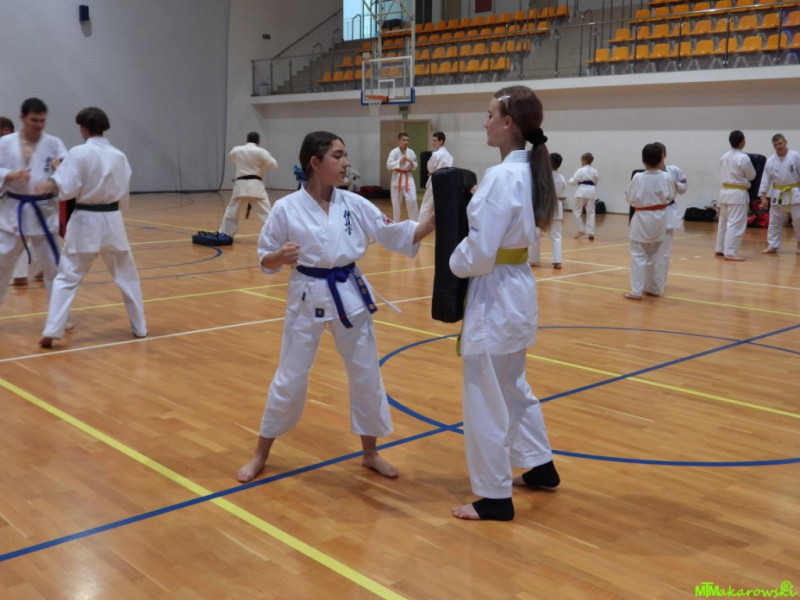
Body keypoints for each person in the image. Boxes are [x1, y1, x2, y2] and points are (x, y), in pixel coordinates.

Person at [236, 131, 435, 484]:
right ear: (315, 163)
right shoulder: (286, 208)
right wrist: (279, 257)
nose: (346, 163)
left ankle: (370, 453)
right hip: (306, 293)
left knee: (366, 372)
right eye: (338, 156)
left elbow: (393, 233)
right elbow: (264, 256)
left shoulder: (354, 203)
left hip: (349, 292)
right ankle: (260, 454)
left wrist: (431, 224)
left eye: (345, 156)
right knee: (290, 375)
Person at [449, 86, 560, 522]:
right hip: (517, 289)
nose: (485, 122)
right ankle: (539, 464)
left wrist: (451, 263)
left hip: (494, 293)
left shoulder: (501, 177)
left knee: (485, 397)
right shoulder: (531, 170)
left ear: (508, 122)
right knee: (512, 384)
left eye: (490, 114)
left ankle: (494, 496)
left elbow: (478, 254)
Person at [35, 107, 147, 348]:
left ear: (83, 128)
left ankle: (52, 329)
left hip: (85, 221)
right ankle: (140, 327)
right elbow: (124, 196)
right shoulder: (119, 155)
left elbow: (68, 189)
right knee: (127, 277)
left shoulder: (79, 152)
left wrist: (57, 173)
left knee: (67, 277)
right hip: (113, 220)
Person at [0, 98, 66, 309]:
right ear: (22, 118)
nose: (39, 125)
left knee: (53, 267)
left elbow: (68, 169)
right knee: (2, 266)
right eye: (34, 120)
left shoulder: (54, 143)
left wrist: (54, 180)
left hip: (44, 213)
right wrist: (8, 175)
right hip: (14, 212)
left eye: (42, 120)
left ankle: (60, 318)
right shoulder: (5, 143)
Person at [624, 143, 676, 300]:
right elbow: (671, 196)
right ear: (661, 159)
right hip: (660, 218)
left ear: (643, 161)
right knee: (656, 255)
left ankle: (636, 291)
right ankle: (654, 289)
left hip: (641, 217)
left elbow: (630, 198)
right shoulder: (666, 177)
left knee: (638, 255)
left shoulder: (638, 177)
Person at [218, 132, 277, 240]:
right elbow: (273, 165)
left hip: (240, 185)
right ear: (258, 141)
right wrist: (260, 164)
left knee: (232, 211)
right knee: (266, 212)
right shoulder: (261, 152)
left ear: (247, 140)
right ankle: (277, 234)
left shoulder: (237, 150)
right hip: (256, 185)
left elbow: (231, 158)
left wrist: (243, 163)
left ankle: (225, 234)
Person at [715, 130, 756, 261]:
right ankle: (730, 252)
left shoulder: (724, 156)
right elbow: (752, 175)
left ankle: (720, 248)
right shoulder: (743, 158)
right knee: (735, 223)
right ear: (742, 141)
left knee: (723, 223)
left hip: (724, 193)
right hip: (737, 193)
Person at [758, 133, 800, 255]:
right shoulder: (771, 160)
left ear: (785, 142)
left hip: (794, 191)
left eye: (780, 143)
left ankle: (799, 242)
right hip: (778, 193)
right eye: (775, 145)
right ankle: (773, 245)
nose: (778, 146)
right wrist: (763, 197)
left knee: (798, 219)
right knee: (774, 220)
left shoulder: (796, 156)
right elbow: (765, 179)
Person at [654, 142, 687, 288]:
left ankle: (660, 282)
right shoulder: (645, 174)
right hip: (650, 213)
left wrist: (675, 184)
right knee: (650, 251)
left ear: (664, 155)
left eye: (660, 153)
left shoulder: (674, 170)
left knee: (664, 250)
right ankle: (649, 281)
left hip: (667, 211)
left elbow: (683, 188)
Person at [528, 152, 566, 269]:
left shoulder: (542, 176)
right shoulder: (561, 178)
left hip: (543, 205)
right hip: (556, 206)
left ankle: (532, 259)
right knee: (556, 235)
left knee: (536, 233)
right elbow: (561, 191)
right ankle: (557, 261)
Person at [418, 131, 454, 223]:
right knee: (441, 205)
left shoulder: (436, 154)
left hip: (434, 181)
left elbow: (429, 168)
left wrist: (431, 172)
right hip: (445, 182)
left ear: (441, 141)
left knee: (426, 205)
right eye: (432, 140)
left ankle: (420, 225)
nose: (433, 142)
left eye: (435, 140)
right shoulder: (450, 156)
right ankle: (443, 225)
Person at [386, 131, 418, 222]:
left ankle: (414, 223)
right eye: (404, 140)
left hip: (408, 177)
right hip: (397, 177)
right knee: (396, 203)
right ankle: (396, 223)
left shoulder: (411, 152)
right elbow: (388, 165)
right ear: (399, 141)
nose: (406, 142)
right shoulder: (394, 152)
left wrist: (411, 162)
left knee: (412, 199)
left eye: (407, 140)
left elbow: (415, 166)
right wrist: (400, 161)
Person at [568, 152, 599, 240]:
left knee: (577, 211)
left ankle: (581, 229)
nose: (581, 162)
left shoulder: (580, 170)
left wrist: (570, 179)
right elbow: (596, 181)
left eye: (581, 160)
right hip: (591, 191)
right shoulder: (594, 170)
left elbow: (573, 181)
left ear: (584, 160)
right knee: (591, 212)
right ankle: (591, 232)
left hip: (581, 191)